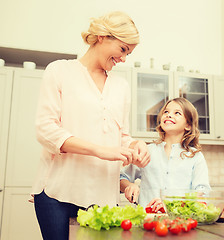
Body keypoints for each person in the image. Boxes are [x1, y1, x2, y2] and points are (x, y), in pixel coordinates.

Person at [31, 11, 150, 240]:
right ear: (103, 37)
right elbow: (45, 130)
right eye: (123, 49)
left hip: (102, 196)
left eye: (129, 53)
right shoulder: (59, 71)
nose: (124, 58)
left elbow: (121, 135)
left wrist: (136, 144)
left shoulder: (121, 86)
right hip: (58, 191)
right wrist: (100, 150)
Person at [120, 97, 211, 212]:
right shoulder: (147, 151)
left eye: (177, 113)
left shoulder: (195, 156)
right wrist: (129, 186)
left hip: (180, 221)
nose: (168, 115)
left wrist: (175, 205)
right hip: (147, 220)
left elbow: (202, 192)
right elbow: (121, 177)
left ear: (188, 125)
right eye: (166, 112)